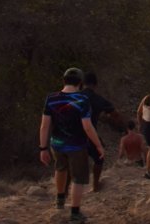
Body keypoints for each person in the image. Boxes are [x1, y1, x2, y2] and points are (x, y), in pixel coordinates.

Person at [39, 67, 104, 223]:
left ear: (63, 80)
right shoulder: (82, 100)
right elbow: (87, 126)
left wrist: (43, 148)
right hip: (77, 145)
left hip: (57, 144)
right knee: (79, 177)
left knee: (60, 168)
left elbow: (44, 126)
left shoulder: (51, 98)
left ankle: (60, 200)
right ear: (80, 83)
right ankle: (75, 212)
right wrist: (98, 145)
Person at [80, 71, 122, 192]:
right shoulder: (98, 99)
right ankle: (95, 185)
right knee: (99, 158)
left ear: (83, 84)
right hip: (89, 133)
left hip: (72, 134)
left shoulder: (75, 97)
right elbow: (115, 113)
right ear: (95, 84)